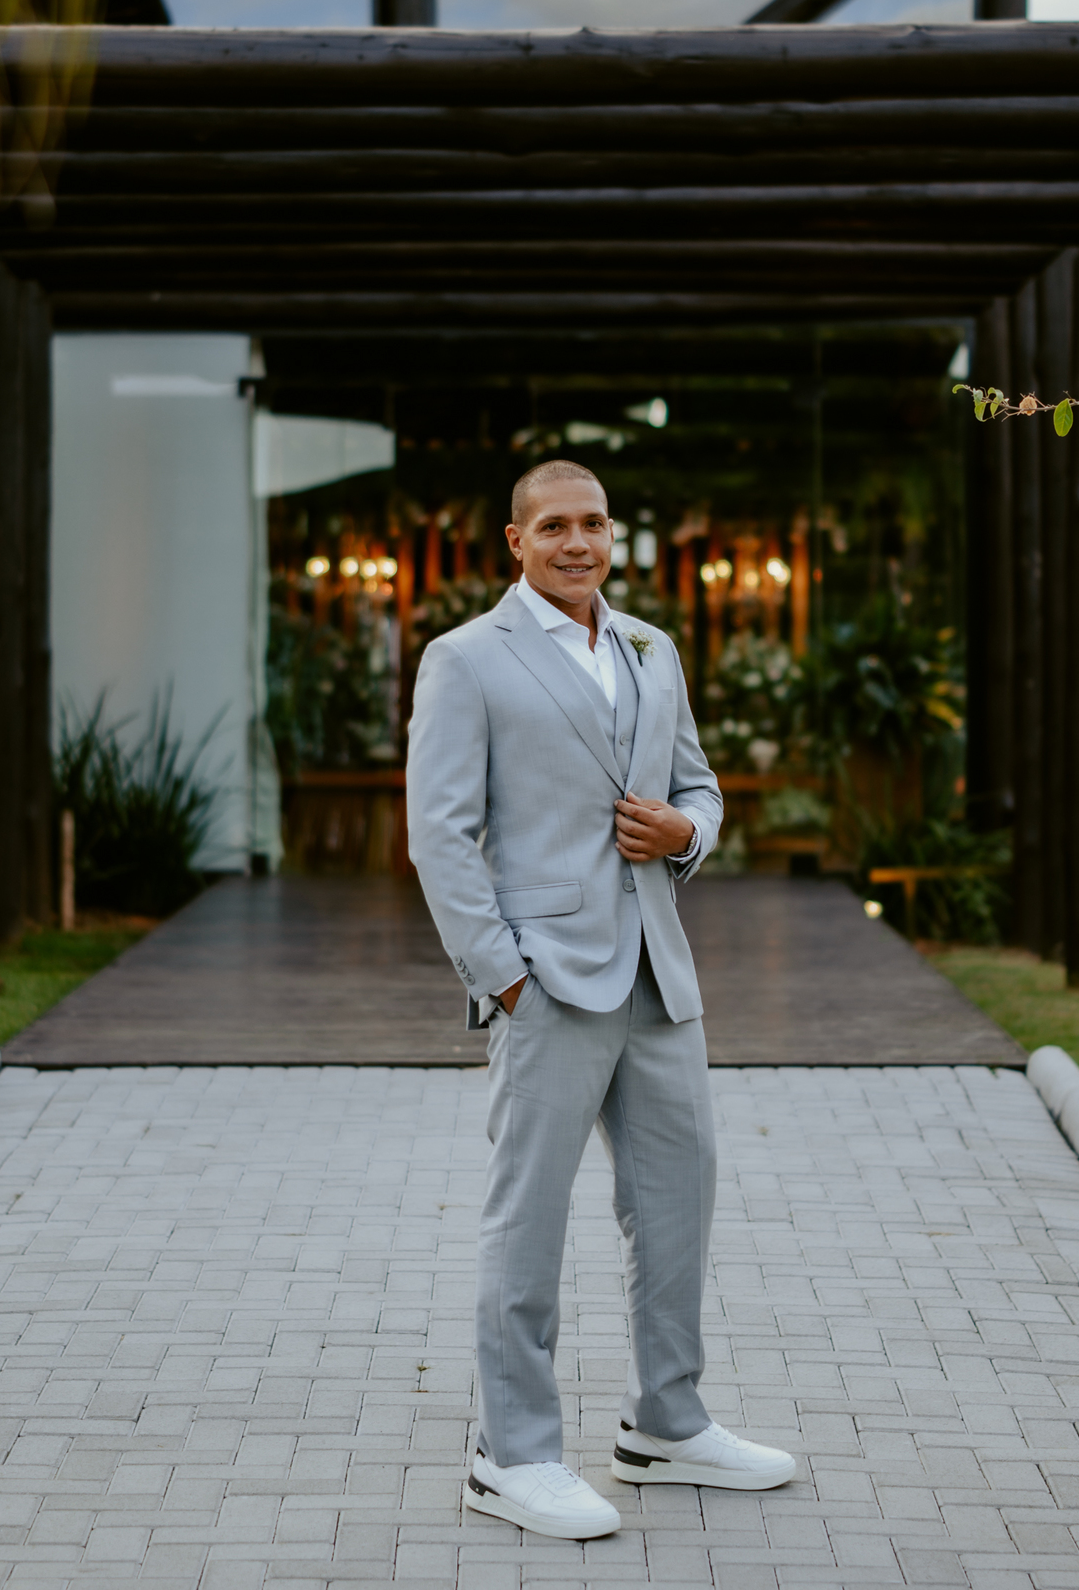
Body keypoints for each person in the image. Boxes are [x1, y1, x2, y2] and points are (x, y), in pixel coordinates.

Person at [406, 460, 796, 1541]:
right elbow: (439, 834)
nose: (577, 542)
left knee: (679, 1200)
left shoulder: (651, 648)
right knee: (527, 1217)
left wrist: (687, 833)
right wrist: (503, 976)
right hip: (547, 982)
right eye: (554, 527)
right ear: (516, 541)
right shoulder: (466, 659)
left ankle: (666, 1426)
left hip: (659, 975)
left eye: (593, 523)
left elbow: (698, 785)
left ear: (612, 534)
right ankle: (512, 1454)